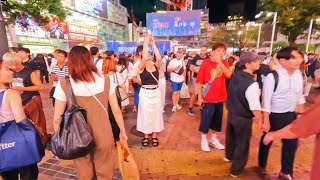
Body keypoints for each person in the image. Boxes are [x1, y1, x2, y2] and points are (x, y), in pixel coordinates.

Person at [53, 46, 127, 179]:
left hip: (78, 135)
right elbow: (116, 110)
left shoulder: (64, 83)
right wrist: (122, 131)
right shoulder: (105, 79)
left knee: (84, 171)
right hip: (103, 132)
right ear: (90, 59)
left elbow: (57, 118)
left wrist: (61, 138)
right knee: (105, 169)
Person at [258, 47, 305, 180]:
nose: (300, 60)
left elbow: (300, 96)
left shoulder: (298, 74)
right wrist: (266, 120)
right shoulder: (272, 77)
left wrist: (300, 116)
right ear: (283, 60)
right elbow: (265, 101)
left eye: (300, 57)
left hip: (292, 114)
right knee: (267, 140)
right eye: (295, 58)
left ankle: (285, 172)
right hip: (275, 115)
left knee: (292, 143)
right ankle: (262, 164)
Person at [225, 52, 264, 177]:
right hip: (243, 117)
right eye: (256, 61)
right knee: (242, 143)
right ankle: (236, 170)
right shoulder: (251, 84)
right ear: (247, 64)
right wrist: (261, 121)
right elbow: (255, 107)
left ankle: (229, 156)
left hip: (232, 113)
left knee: (231, 138)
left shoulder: (236, 75)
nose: (260, 62)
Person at [0, 59, 39, 180]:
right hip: (19, 143)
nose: (11, 72)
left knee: (8, 175)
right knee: (28, 174)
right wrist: (36, 128)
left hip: (2, 146)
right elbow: (21, 120)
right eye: (7, 69)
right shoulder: (10, 94)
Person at [263, 97, 320, 180]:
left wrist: (272, 135)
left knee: (290, 145)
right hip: (279, 113)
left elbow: (301, 128)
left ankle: (285, 172)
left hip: (291, 116)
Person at [2, 52, 48, 144]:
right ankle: (30, 141)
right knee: (25, 123)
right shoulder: (11, 73)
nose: (12, 68)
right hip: (19, 102)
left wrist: (22, 88)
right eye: (9, 66)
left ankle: (41, 141)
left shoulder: (29, 72)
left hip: (32, 100)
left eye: (14, 64)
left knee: (38, 122)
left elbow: (40, 87)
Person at [196, 42, 232, 152]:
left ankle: (213, 139)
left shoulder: (224, 62)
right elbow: (199, 81)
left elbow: (228, 75)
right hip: (208, 97)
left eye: (223, 51)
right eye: (218, 51)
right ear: (213, 52)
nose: (221, 53)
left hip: (220, 97)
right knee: (206, 119)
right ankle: (203, 139)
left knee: (217, 120)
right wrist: (199, 97)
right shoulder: (205, 63)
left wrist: (220, 62)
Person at [136, 34, 164, 147]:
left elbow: (159, 58)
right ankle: (146, 136)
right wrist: (145, 42)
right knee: (145, 115)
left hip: (156, 92)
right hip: (145, 93)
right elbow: (143, 59)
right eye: (145, 52)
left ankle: (154, 136)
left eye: (149, 53)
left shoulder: (156, 65)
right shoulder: (141, 66)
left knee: (156, 114)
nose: (148, 54)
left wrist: (153, 44)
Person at [188, 45, 208, 115]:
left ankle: (201, 108)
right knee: (195, 93)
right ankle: (190, 108)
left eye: (204, 50)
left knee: (203, 93)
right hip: (196, 78)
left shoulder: (208, 58)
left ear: (206, 51)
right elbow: (191, 68)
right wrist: (200, 70)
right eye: (201, 50)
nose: (202, 52)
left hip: (205, 79)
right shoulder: (196, 58)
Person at [131, 45, 143, 113]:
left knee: (136, 94)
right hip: (139, 81)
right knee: (140, 95)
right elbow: (134, 77)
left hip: (136, 81)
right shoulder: (138, 63)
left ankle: (135, 107)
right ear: (140, 52)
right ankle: (138, 107)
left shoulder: (135, 59)